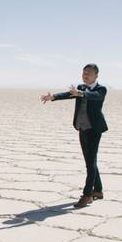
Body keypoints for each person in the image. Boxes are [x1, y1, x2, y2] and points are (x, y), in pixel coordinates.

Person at [41, 63, 108, 209]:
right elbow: (68, 94)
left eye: (89, 73)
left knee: (90, 162)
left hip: (94, 129)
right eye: (84, 73)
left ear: (96, 75)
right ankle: (98, 190)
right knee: (90, 160)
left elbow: (95, 96)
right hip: (82, 128)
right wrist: (53, 97)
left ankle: (87, 195)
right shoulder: (81, 87)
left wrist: (81, 93)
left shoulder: (101, 89)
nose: (85, 75)